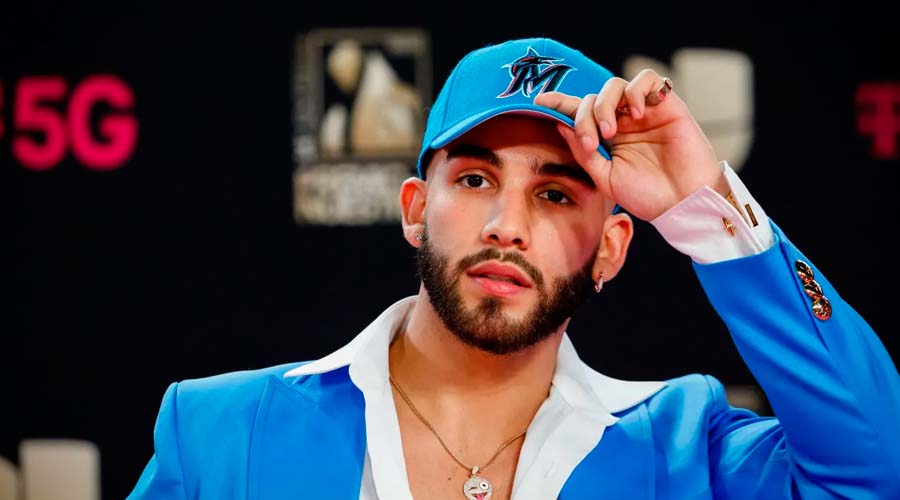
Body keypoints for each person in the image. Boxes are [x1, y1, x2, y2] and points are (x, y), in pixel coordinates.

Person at [126, 37, 900, 500]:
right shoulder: (219, 434)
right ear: (415, 208)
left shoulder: (686, 449)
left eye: (556, 194)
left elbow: (875, 470)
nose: (507, 225)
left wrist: (706, 208)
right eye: (474, 179)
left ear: (611, 248)